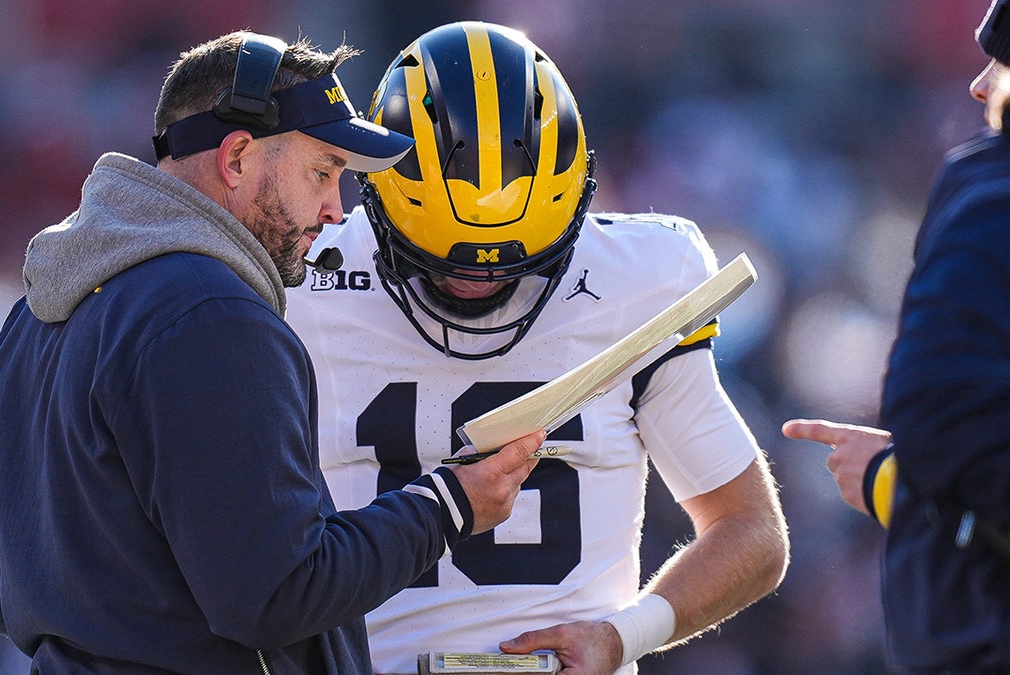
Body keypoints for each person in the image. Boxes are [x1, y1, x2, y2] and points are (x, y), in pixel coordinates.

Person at [0, 30, 548, 674]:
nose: (335, 210)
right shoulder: (214, 314)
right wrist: (448, 506)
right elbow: (279, 595)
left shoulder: (36, 310)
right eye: (322, 171)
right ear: (236, 160)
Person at [286, 21, 789, 674]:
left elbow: (751, 530)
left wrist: (623, 634)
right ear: (377, 200)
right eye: (443, 261)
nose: (479, 280)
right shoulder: (302, 274)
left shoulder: (636, 279)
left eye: (512, 263)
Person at [782, 1, 1010, 670]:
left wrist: (897, 479)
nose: (981, 81)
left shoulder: (994, 194)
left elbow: (945, 420)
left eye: (1004, 59)